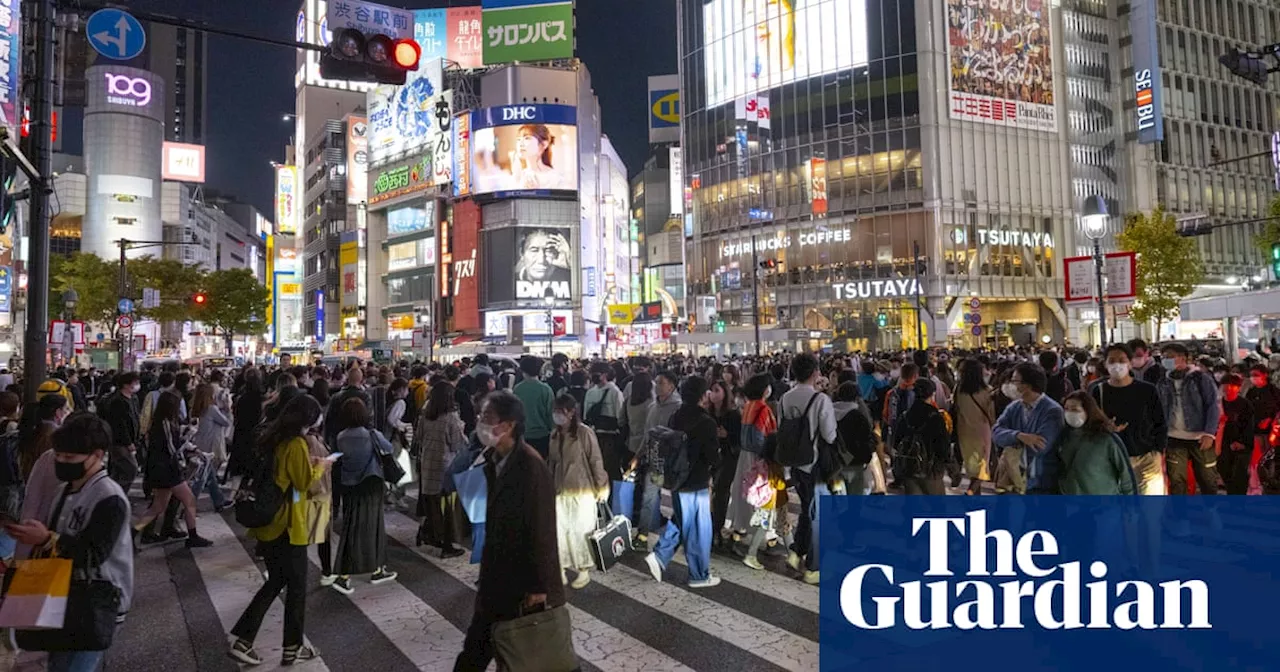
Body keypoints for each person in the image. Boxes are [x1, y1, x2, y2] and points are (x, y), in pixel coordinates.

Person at [6, 413, 134, 672]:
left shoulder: (110, 497)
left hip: (95, 600)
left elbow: (93, 554)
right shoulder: (66, 489)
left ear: (97, 455)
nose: (61, 463)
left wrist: (46, 538)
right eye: (59, 456)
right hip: (63, 595)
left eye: (69, 458)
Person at [454, 391, 567, 671]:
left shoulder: (530, 466)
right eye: (480, 416)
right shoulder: (493, 459)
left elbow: (542, 528)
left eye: (488, 418)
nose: (481, 422)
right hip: (498, 576)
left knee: (522, 653)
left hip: (520, 584)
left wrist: (539, 587)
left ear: (509, 425)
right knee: (482, 649)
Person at [229, 395, 332, 666]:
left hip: (270, 524)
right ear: (307, 418)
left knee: (277, 581)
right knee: (296, 586)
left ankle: (255, 640)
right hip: (287, 524)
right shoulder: (296, 443)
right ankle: (285, 646)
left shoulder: (272, 437)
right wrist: (320, 467)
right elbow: (303, 483)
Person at [643, 375, 722, 588]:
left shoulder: (676, 416)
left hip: (677, 480)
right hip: (696, 482)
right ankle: (699, 575)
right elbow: (713, 457)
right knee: (697, 528)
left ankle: (660, 555)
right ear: (703, 395)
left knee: (682, 519)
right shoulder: (706, 422)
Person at [331, 398, 398, 594]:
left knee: (351, 527)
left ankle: (350, 574)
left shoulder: (341, 436)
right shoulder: (371, 434)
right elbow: (389, 448)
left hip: (349, 485)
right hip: (371, 483)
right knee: (374, 527)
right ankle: (374, 570)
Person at [780, 353, 836, 584]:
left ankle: (795, 553)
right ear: (814, 372)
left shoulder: (784, 398)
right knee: (819, 516)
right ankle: (813, 567)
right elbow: (830, 435)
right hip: (814, 464)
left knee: (806, 509)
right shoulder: (820, 400)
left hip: (794, 463)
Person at [132, 392, 212, 548]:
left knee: (158, 506)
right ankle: (193, 536)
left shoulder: (161, 421)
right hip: (167, 469)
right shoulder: (165, 423)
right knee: (188, 500)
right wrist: (187, 437)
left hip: (161, 468)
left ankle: (133, 533)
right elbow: (172, 447)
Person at [1090, 344, 1168, 495]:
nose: (1117, 365)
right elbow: (1091, 423)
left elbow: (1160, 422)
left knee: (1149, 508)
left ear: (1130, 363)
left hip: (1146, 458)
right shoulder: (1098, 391)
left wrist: (1158, 450)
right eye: (1112, 361)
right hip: (1112, 459)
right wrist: (1105, 427)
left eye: (1122, 360)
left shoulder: (1147, 390)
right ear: (1105, 364)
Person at [548, 394, 608, 589]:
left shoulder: (584, 433)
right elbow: (552, 462)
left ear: (572, 412)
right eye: (555, 411)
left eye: (560, 411)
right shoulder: (555, 434)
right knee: (561, 530)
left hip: (582, 490)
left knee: (581, 530)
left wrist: (602, 486)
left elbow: (596, 460)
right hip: (559, 490)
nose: (557, 415)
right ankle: (560, 567)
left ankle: (583, 569)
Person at [1154, 343, 1220, 497]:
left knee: (1207, 480)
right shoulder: (1162, 382)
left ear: (1183, 358)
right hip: (1173, 438)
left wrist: (1209, 433)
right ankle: (1181, 517)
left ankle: (1212, 514)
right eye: (1164, 357)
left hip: (1200, 438)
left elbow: (1212, 405)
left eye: (1170, 357)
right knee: (1177, 482)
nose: (1166, 360)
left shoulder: (1200, 379)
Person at [992, 363, 1064, 494]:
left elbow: (1040, 445)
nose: (1010, 385)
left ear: (1028, 385)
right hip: (1014, 479)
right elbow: (996, 433)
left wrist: (1010, 440)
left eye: (1014, 381)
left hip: (1042, 480)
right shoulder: (1014, 407)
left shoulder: (1052, 410)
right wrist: (1019, 436)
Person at [414, 381, 467, 558]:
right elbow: (457, 444)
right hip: (445, 467)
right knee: (447, 508)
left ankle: (427, 533)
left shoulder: (425, 415)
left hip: (428, 463)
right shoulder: (451, 418)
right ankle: (446, 545)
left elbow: (419, 438)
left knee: (432, 503)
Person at [1054, 391, 1135, 495]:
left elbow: (1126, 476)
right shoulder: (1063, 437)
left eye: (1075, 409)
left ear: (1088, 411)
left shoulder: (1106, 439)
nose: (1069, 413)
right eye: (1066, 409)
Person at [892, 378, 952, 495]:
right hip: (930, 469)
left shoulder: (905, 416)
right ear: (931, 394)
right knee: (937, 508)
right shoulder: (935, 417)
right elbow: (943, 446)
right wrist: (946, 465)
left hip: (909, 468)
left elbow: (896, 442)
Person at [953, 359, 995, 495]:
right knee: (982, 465)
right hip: (982, 431)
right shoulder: (987, 391)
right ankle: (970, 492)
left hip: (964, 431)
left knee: (972, 466)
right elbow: (991, 414)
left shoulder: (959, 390)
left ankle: (976, 496)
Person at [189, 383, 231, 512]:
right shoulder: (211, 409)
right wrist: (227, 408)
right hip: (209, 446)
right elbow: (226, 422)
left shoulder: (196, 408)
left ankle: (219, 501)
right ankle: (188, 505)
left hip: (199, 444)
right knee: (200, 479)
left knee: (210, 476)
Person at [1218, 374, 1254, 495]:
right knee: (1225, 471)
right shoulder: (1219, 404)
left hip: (1241, 446)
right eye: (1225, 387)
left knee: (1239, 476)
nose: (1228, 390)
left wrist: (1242, 442)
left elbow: (1249, 426)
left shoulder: (1245, 405)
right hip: (1222, 445)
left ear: (1238, 388)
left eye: (1231, 387)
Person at [513, 356, 555, 459]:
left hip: (523, 436)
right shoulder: (546, 389)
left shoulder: (517, 389)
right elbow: (551, 414)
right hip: (543, 436)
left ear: (522, 370)